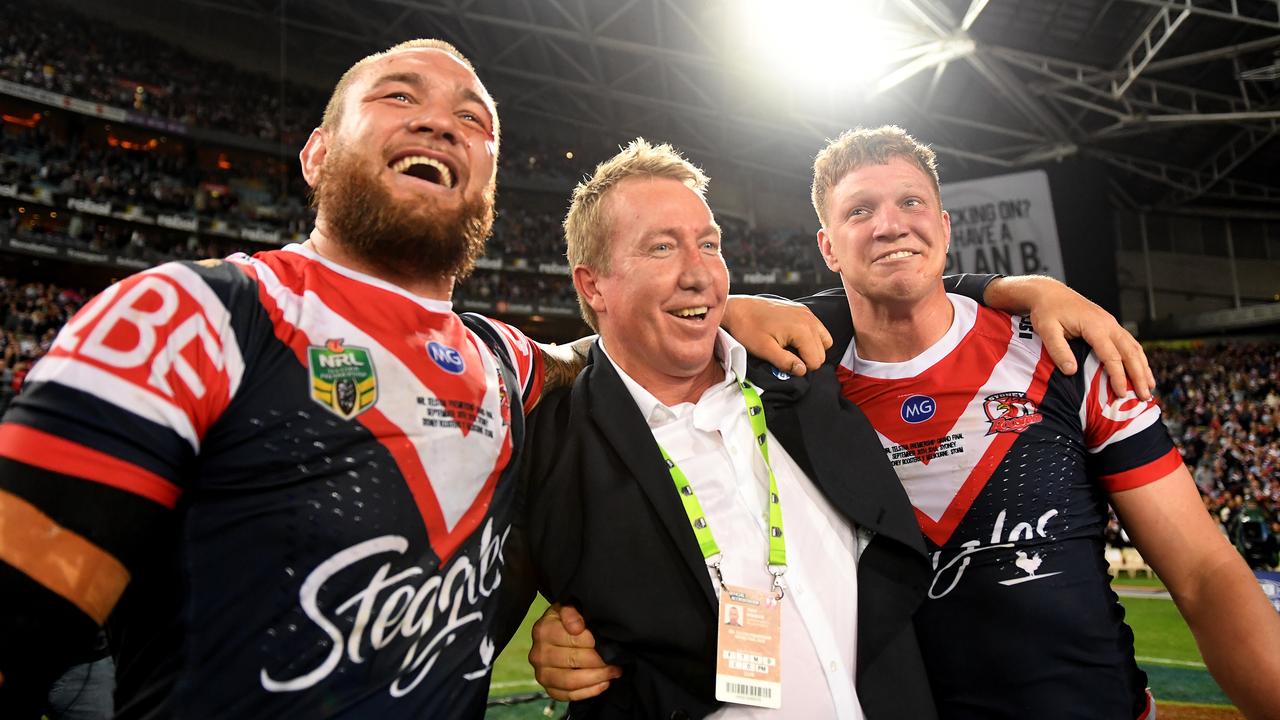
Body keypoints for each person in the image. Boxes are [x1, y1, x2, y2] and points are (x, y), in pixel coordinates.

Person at [528, 127, 1280, 720]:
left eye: (911, 204)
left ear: (946, 227)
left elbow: (1208, 575)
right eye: (859, 211)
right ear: (827, 246)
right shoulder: (797, 377)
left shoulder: (1063, 352)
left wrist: (1018, 287)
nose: (890, 226)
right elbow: (649, 344)